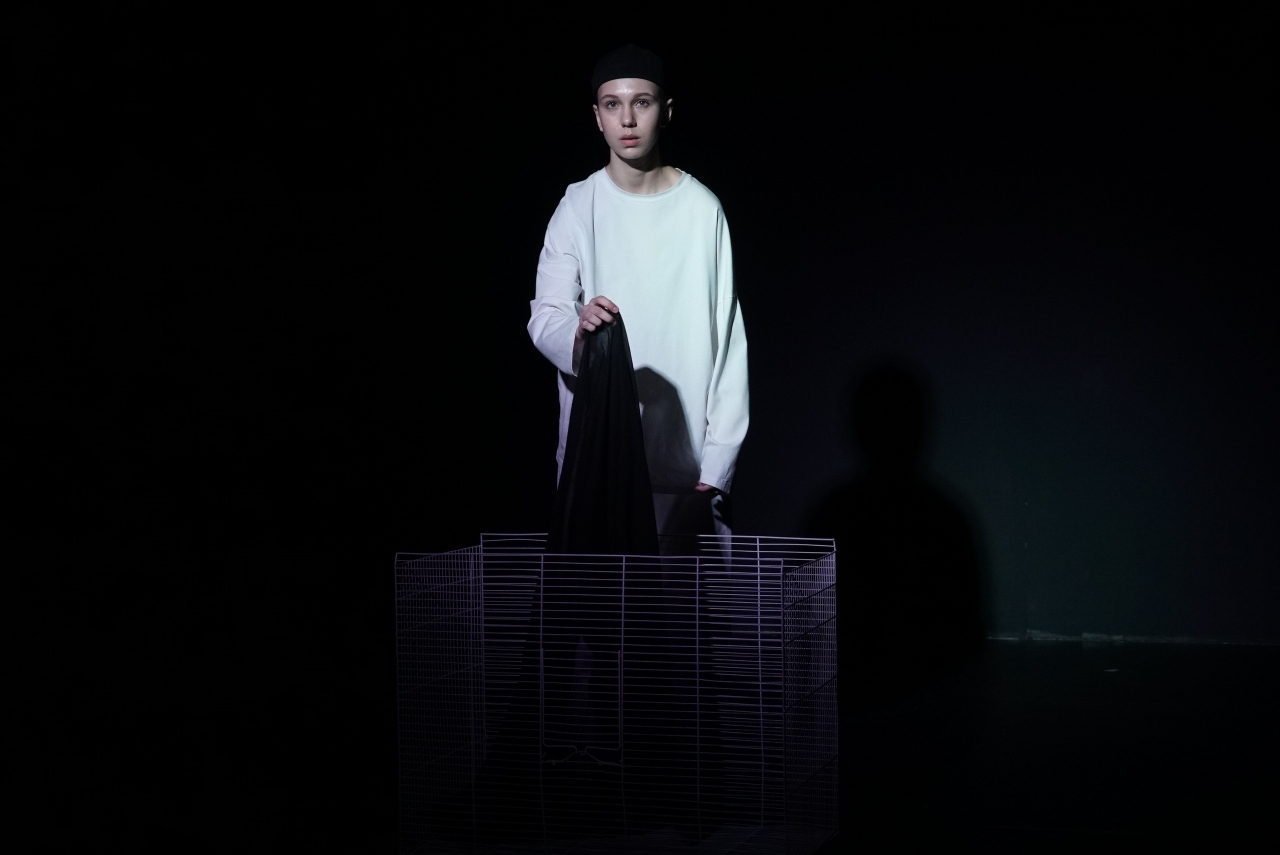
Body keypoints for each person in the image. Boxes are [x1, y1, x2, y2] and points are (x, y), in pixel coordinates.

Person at [528, 44, 749, 538]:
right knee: (594, 590)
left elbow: (728, 339)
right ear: (597, 117)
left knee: (684, 590)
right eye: (613, 104)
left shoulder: (701, 209)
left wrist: (717, 467)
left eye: (642, 103)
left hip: (686, 471)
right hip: (596, 462)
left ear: (665, 111)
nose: (627, 119)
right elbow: (547, 315)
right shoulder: (577, 205)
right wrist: (578, 335)